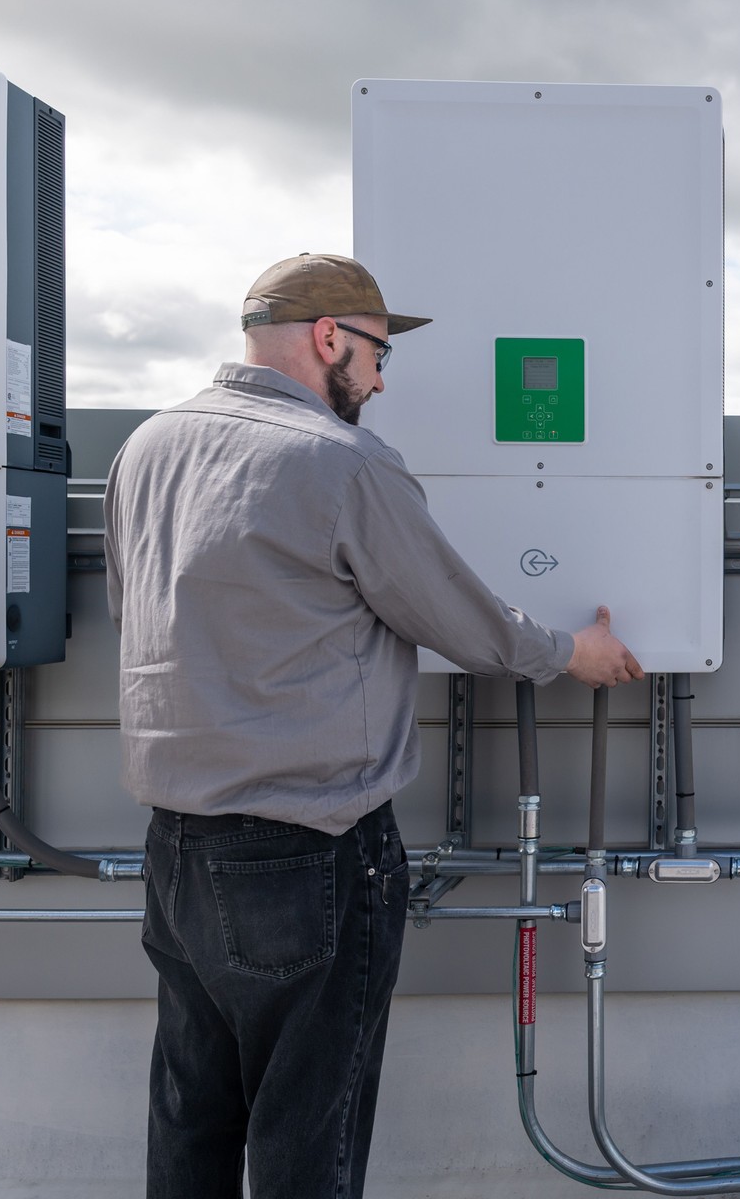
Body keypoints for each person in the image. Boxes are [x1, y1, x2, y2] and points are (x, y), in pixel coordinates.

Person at [103, 253, 643, 1198]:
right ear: (328, 339)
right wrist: (572, 654)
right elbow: (459, 617)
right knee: (308, 1141)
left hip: (176, 848)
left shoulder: (148, 448)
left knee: (191, 1121)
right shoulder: (339, 463)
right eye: (379, 354)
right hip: (305, 851)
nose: (383, 380)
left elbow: (133, 608)